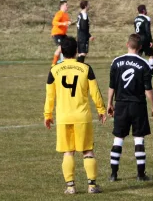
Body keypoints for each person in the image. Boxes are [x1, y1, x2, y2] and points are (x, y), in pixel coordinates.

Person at [43, 36, 107, 195]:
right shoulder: (85, 68)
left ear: (62, 52)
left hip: (64, 118)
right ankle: (92, 185)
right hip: (82, 117)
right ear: (77, 51)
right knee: (87, 151)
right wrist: (101, 110)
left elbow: (50, 96)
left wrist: (47, 115)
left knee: (68, 151)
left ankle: (70, 187)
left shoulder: (54, 70)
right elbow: (95, 92)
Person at [107, 34, 153, 182]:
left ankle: (113, 174)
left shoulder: (116, 62)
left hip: (121, 104)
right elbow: (148, 89)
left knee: (118, 138)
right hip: (138, 105)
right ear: (140, 47)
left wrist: (109, 103)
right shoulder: (144, 65)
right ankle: (140, 174)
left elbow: (112, 86)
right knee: (139, 139)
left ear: (127, 44)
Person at [134, 5, 153, 77]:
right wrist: (151, 41)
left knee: (138, 55)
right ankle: (152, 72)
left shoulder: (136, 19)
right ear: (144, 10)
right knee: (151, 55)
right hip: (145, 38)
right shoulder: (147, 18)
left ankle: (136, 71)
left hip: (138, 38)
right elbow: (148, 31)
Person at [51, 0, 71, 65]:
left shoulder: (66, 15)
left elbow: (66, 23)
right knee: (61, 48)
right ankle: (53, 64)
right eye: (66, 5)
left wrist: (68, 23)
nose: (67, 6)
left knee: (67, 47)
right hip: (57, 33)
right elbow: (54, 22)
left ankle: (63, 62)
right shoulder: (59, 13)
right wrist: (63, 23)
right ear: (61, 6)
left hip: (63, 34)